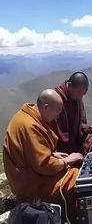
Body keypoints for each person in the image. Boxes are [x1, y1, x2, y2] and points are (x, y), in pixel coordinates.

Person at [3, 89, 83, 220]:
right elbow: (44, 165)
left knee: (75, 173)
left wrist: (53, 155)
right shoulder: (29, 126)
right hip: (30, 185)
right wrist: (67, 160)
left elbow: (30, 152)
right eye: (57, 111)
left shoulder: (28, 115)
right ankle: (71, 219)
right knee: (76, 184)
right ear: (46, 107)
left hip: (32, 174)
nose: (58, 116)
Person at [53, 71, 92, 155]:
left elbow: (75, 124)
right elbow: (60, 134)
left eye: (83, 94)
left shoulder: (76, 97)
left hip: (77, 141)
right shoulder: (57, 101)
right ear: (69, 86)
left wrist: (84, 127)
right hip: (65, 149)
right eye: (79, 92)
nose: (81, 97)